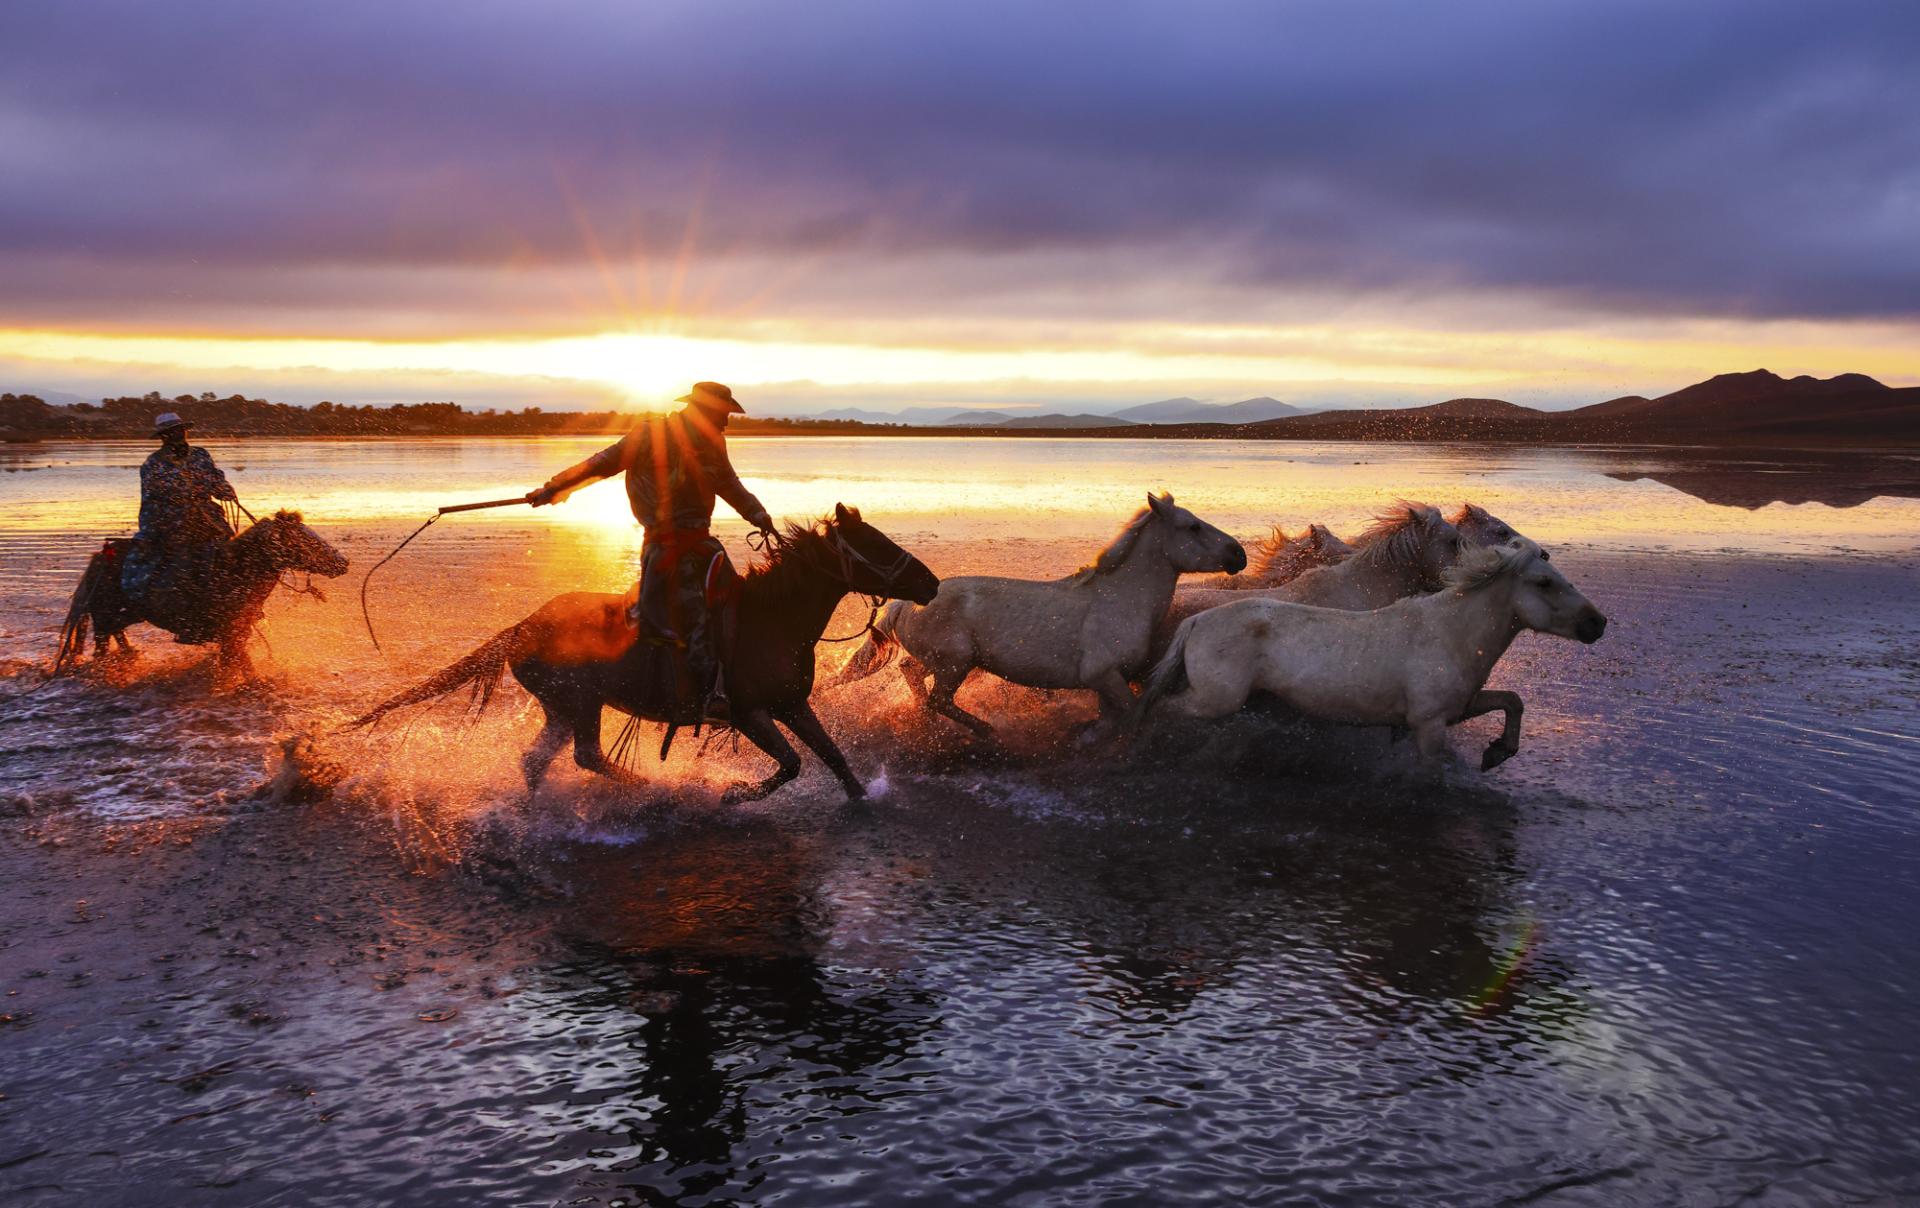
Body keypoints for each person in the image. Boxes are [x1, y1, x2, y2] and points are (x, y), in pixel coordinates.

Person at [526, 382, 775, 710]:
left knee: (737, 601)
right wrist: (555, 488)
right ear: (700, 411)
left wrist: (758, 514)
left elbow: (729, 483)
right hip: (664, 547)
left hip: (703, 543)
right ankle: (706, 693)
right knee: (695, 612)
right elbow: (601, 464)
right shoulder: (648, 435)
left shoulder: (714, 443)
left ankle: (736, 679)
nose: (725, 423)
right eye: (721, 415)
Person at [121, 412, 239, 611]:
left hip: (207, 520)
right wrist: (195, 492)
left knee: (232, 555)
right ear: (163, 436)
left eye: (181, 430)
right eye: (172, 431)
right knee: (182, 563)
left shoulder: (201, 455)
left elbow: (216, 477)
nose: (179, 434)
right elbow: (161, 494)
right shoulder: (153, 464)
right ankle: (187, 607)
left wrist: (225, 489)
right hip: (171, 522)